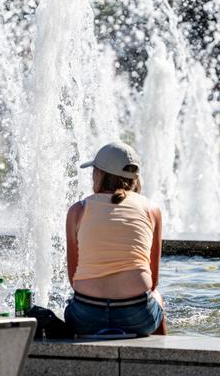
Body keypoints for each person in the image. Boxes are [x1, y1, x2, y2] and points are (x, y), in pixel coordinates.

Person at [64, 141, 167, 336]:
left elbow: (73, 277)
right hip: (137, 316)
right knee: (157, 298)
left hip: (85, 316)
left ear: (100, 174)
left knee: (73, 304)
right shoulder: (152, 210)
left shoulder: (77, 211)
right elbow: (153, 281)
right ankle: (162, 360)